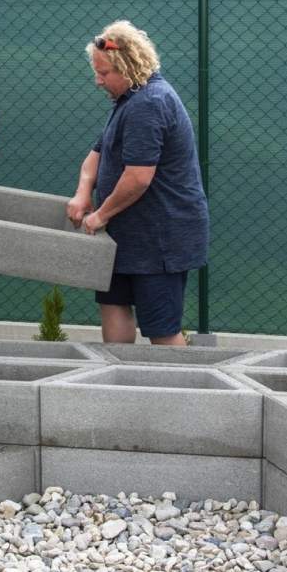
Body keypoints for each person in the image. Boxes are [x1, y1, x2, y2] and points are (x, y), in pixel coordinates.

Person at [66, 20, 209, 345]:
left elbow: (138, 177)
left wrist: (100, 215)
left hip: (160, 238)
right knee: (113, 305)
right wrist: (82, 193)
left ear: (128, 66)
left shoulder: (149, 103)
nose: (98, 80)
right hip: (125, 234)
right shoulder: (127, 100)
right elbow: (96, 154)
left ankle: (180, 381)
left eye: (104, 73)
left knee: (162, 329)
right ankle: (119, 375)